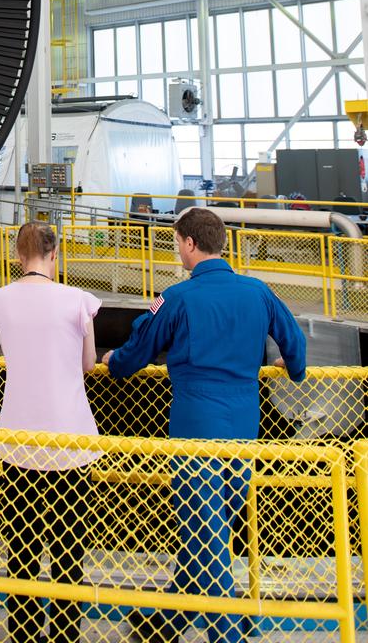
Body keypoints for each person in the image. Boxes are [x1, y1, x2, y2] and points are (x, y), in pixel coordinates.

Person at [103, 207, 306, 643]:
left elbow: (136, 352)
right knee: (211, 530)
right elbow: (297, 348)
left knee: (205, 532)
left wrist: (111, 362)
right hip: (245, 425)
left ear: (189, 244)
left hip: (196, 426)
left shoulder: (175, 297)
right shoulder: (259, 292)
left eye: (177, 242)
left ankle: (226, 632)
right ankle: (169, 623)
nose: (177, 249)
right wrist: (291, 366)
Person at [0, 222, 101, 643]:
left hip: (17, 438)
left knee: (23, 546)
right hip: (71, 438)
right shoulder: (78, 301)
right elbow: (87, 364)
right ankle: (66, 633)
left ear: (17, 255)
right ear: (55, 254)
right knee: (70, 549)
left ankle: (24, 633)